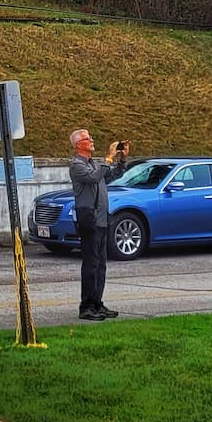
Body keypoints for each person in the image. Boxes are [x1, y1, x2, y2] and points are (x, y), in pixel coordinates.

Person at [68, 128, 130, 320]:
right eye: (88, 139)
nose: (92, 140)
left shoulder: (94, 164)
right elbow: (94, 178)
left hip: (102, 219)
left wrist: (121, 160)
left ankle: (97, 303)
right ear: (80, 145)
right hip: (89, 218)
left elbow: (109, 177)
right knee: (91, 263)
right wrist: (109, 158)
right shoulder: (77, 165)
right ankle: (86, 306)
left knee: (101, 264)